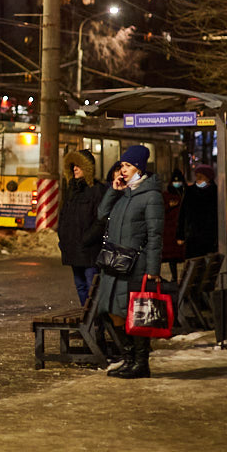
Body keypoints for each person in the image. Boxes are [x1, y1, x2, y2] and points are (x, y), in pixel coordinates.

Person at [96, 145, 164, 379]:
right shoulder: (123, 193)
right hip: (114, 264)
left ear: (140, 167)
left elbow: (155, 235)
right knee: (111, 312)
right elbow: (101, 214)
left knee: (134, 314)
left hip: (135, 265)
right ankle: (128, 358)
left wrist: (153, 269)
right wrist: (113, 191)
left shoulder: (151, 196)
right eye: (121, 165)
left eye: (128, 165)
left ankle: (140, 363)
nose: (122, 170)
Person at [57, 149, 106, 305]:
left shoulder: (97, 190)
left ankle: (94, 324)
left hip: (89, 250)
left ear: (88, 168)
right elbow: (64, 216)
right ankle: (88, 323)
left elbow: (101, 221)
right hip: (73, 248)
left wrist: (86, 240)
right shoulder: (72, 190)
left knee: (92, 287)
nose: (75, 169)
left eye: (78, 166)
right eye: (73, 166)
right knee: (80, 286)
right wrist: (63, 238)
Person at [178, 164, 218, 258]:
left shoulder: (215, 192)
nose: (198, 179)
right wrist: (180, 235)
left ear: (208, 178)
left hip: (210, 237)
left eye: (201, 177)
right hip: (193, 236)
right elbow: (182, 214)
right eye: (197, 176)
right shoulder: (190, 191)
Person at [161, 169, 187, 282]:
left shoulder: (184, 194)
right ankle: (174, 278)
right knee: (171, 257)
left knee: (177, 256)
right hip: (168, 231)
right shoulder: (166, 196)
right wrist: (169, 206)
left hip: (178, 230)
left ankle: (177, 278)